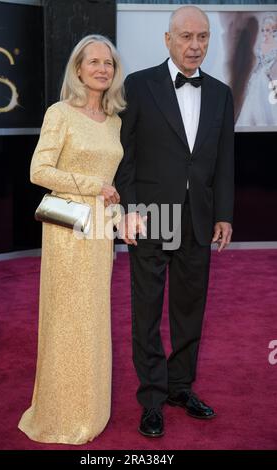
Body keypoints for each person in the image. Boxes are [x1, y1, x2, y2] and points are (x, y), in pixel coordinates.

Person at [115, 6, 234, 437]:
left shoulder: (221, 92)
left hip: (198, 217)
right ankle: (151, 397)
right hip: (151, 215)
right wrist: (127, 210)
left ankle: (180, 387)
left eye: (202, 37)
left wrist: (223, 213)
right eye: (186, 36)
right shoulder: (139, 85)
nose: (195, 45)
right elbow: (124, 156)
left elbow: (223, 162)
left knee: (190, 308)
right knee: (147, 310)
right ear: (168, 40)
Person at [18, 34, 125, 445]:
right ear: (77, 69)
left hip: (99, 232)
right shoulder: (59, 113)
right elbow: (39, 171)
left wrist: (117, 220)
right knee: (67, 320)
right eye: (93, 62)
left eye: (109, 64)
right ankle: (61, 412)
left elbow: (112, 187)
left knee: (94, 320)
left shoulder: (115, 121)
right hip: (67, 230)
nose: (102, 69)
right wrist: (91, 184)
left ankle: (91, 411)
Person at [237, 14, 277, 127]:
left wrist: (270, 73)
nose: (265, 32)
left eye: (268, 30)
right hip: (259, 74)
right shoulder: (262, 45)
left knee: (267, 100)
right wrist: (254, 74)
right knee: (253, 99)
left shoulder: (275, 45)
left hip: (269, 77)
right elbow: (260, 62)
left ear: (273, 30)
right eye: (263, 30)